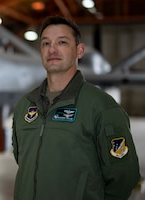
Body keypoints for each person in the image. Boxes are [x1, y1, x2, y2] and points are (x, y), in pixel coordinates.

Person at [12, 16, 140, 200]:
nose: (52, 49)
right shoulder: (26, 105)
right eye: (45, 43)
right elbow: (22, 159)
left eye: (62, 42)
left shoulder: (102, 107)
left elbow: (124, 177)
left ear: (79, 51)